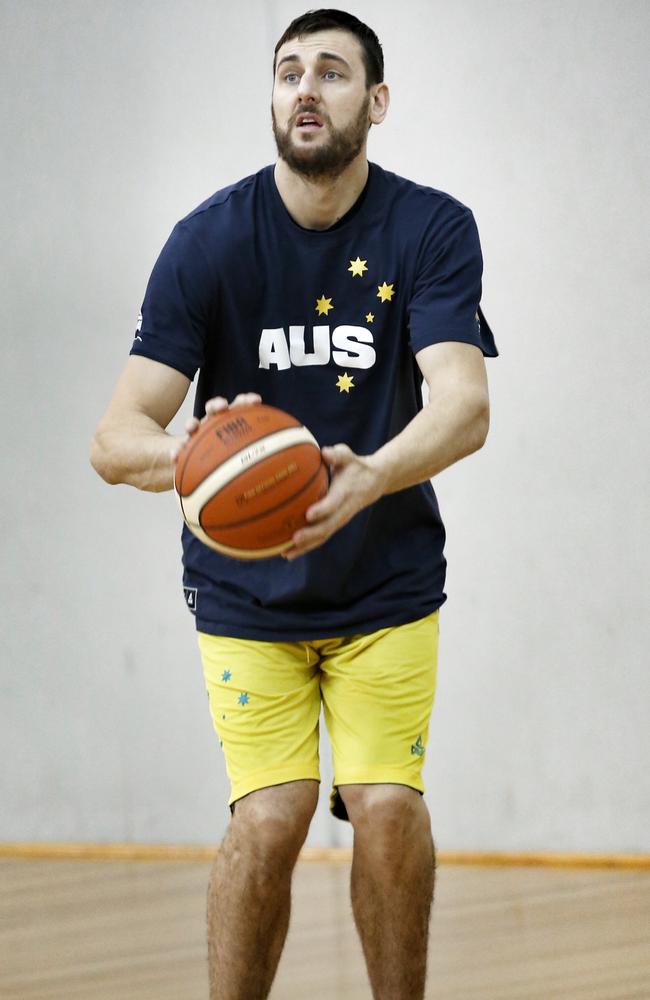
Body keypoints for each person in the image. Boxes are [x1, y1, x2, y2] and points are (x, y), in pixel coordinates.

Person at [91, 8, 498, 999]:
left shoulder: (426, 229)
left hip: (385, 586)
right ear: (272, 100)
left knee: (387, 809)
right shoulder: (209, 239)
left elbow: (463, 404)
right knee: (270, 816)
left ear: (376, 100)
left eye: (330, 71)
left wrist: (369, 474)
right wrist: (184, 455)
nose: (305, 89)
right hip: (245, 595)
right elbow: (114, 437)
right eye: (287, 73)